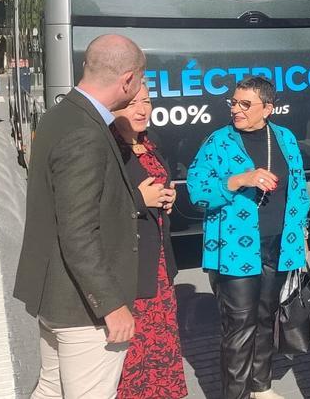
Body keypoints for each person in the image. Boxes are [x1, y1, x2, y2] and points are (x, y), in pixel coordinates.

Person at [13, 34, 148, 398]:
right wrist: (112, 305)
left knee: (50, 390)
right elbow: (78, 231)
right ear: (128, 80)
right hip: (82, 309)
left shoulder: (61, 114)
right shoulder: (87, 133)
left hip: (54, 296)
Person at [187, 76, 310, 399]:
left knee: (267, 318)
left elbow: (298, 189)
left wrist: (301, 229)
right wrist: (237, 180)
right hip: (233, 252)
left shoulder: (284, 138)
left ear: (267, 108)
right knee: (239, 329)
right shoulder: (218, 141)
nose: (236, 110)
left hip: (278, 245)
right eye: (233, 102)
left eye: (245, 104)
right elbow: (196, 190)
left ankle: (261, 386)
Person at [110, 82, 187, 399]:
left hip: (159, 268)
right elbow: (92, 207)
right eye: (131, 103)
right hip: (131, 271)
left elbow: (158, 184)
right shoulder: (107, 148)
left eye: (147, 101)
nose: (142, 109)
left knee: (161, 355)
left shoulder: (150, 142)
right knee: (134, 361)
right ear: (112, 108)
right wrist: (139, 200)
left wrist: (168, 197)